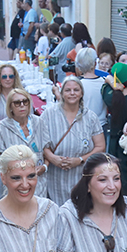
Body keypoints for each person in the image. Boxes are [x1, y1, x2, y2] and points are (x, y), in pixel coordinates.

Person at [40, 77, 105, 206]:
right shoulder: (48, 115)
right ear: (62, 93)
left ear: (81, 93)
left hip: (81, 177)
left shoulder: (90, 117)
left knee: (80, 213)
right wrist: (52, 158)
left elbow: (100, 146)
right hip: (55, 179)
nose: (72, 93)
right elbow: (40, 143)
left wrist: (80, 159)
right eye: (68, 90)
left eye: (76, 90)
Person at [0, 88, 48, 198]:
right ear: (10, 106)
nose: (22, 105)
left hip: (39, 182)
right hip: (16, 185)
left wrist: (44, 166)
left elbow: (47, 150)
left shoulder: (39, 122)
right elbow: (0, 159)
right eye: (17, 103)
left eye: (25, 101)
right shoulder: (2, 127)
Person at [101, 62, 127, 192]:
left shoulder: (108, 94)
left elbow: (105, 84)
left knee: (115, 174)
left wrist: (111, 81)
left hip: (113, 142)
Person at [75, 48, 107, 125]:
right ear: (95, 64)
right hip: (101, 125)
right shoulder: (104, 82)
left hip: (82, 125)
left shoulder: (77, 84)